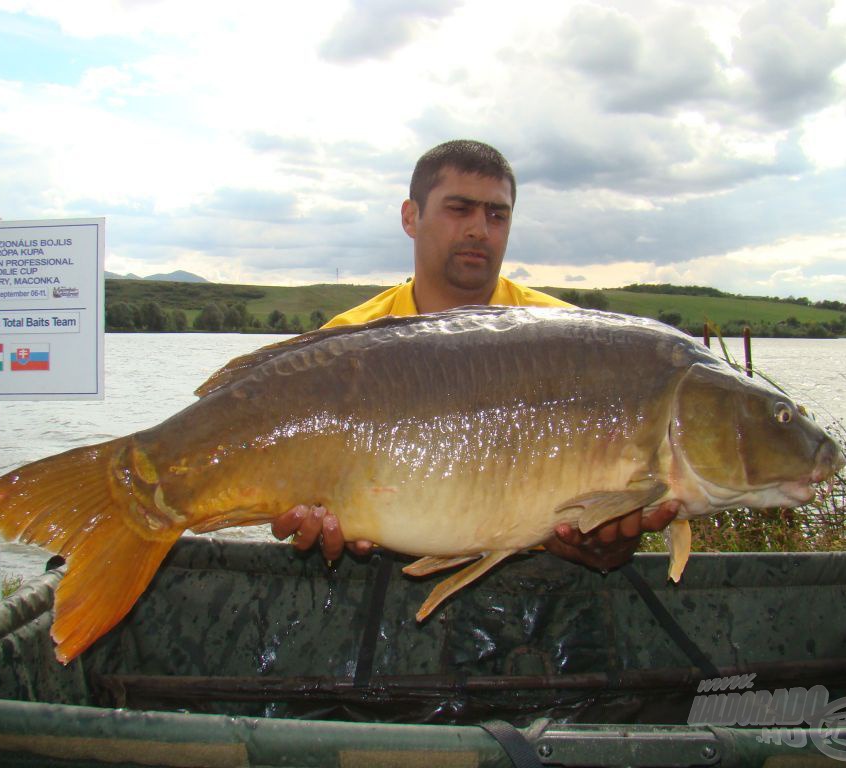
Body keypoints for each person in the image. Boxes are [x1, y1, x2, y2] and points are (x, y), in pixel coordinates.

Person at [271, 139, 677, 571]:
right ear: (411, 217)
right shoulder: (346, 344)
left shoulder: (576, 343)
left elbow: (604, 520)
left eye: (496, 215)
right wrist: (311, 524)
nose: (480, 230)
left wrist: (599, 545)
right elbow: (297, 512)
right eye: (459, 209)